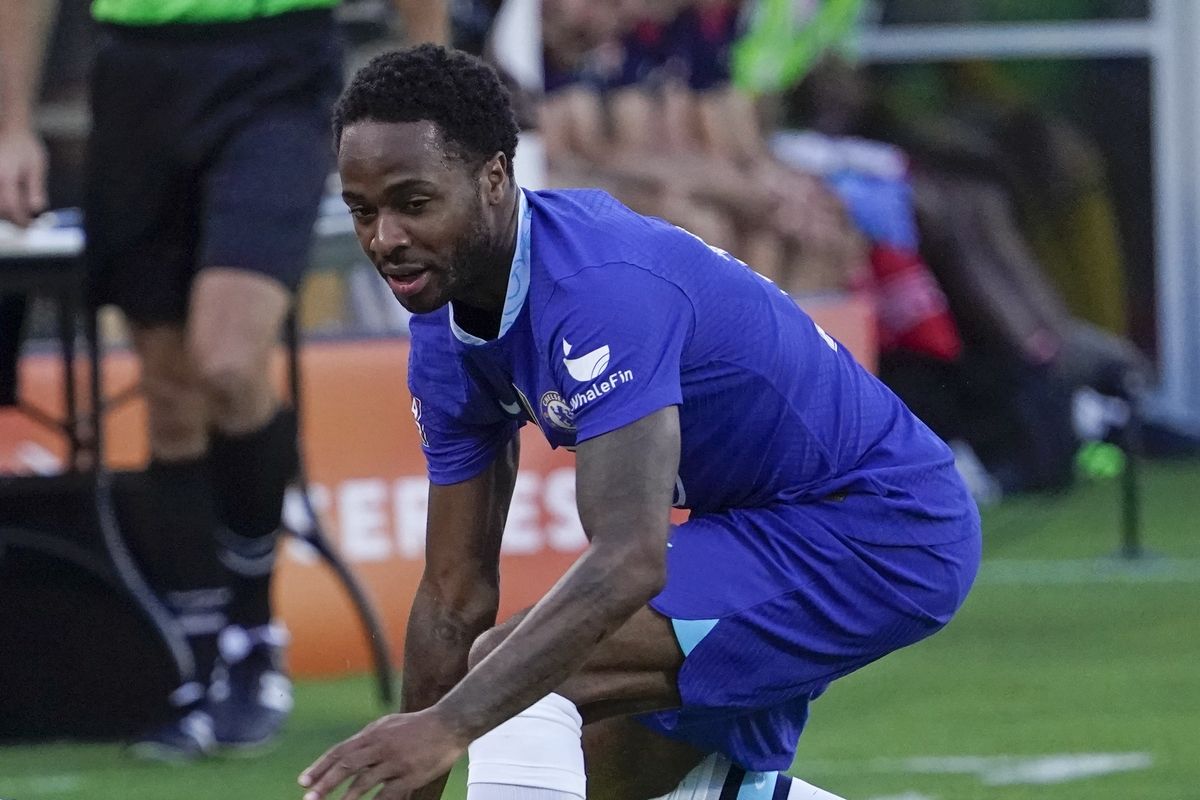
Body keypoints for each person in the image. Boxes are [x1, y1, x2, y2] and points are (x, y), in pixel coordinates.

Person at [299, 44, 981, 800]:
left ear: (494, 178)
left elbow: (628, 560)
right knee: (612, 778)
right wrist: (425, 749)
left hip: (878, 527)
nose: (385, 237)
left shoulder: (600, 290)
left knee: (518, 678)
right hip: (765, 527)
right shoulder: (443, 326)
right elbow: (452, 594)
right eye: (363, 211)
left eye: (413, 202)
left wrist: (449, 724)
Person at [0, 0, 442, 761]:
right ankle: (197, 654)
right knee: (170, 398)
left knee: (229, 362)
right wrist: (11, 124)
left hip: (277, 67)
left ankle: (252, 632)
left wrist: (430, 92)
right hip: (135, 73)